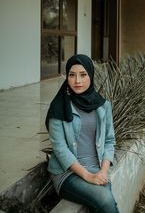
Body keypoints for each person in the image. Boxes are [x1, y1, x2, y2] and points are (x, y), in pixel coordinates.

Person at [45, 54, 120, 213]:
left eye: (83, 74)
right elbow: (60, 148)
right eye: (72, 75)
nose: (77, 81)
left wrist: (103, 171)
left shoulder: (103, 105)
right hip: (68, 173)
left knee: (104, 199)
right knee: (106, 200)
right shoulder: (58, 107)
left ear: (91, 76)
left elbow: (109, 140)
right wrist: (88, 176)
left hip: (97, 167)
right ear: (67, 77)